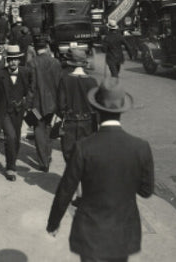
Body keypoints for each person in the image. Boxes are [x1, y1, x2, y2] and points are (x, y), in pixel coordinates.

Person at [46, 78, 154, 262]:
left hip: (90, 231)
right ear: (122, 110)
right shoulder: (140, 147)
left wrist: (53, 223)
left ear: (96, 109)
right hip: (123, 231)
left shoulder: (83, 147)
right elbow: (146, 191)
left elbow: (66, 189)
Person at [0, 44, 31, 181]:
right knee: (10, 136)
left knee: (16, 139)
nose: (13, 62)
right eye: (10, 59)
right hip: (4, 112)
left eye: (16, 59)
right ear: (7, 60)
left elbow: (31, 91)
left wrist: (26, 105)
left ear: (19, 60)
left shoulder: (25, 73)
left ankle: (12, 161)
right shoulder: (0, 75)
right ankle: (10, 168)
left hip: (19, 111)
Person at [27, 33, 62, 172]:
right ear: (47, 47)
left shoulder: (32, 63)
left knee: (38, 130)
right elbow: (60, 84)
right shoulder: (56, 62)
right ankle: (47, 155)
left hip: (37, 103)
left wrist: (28, 105)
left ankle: (43, 162)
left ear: (35, 48)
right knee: (48, 129)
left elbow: (31, 86)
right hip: (53, 103)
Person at [57, 48, 98, 164]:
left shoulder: (65, 80)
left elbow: (61, 105)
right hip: (88, 123)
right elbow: (97, 106)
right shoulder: (92, 81)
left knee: (69, 155)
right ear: (84, 64)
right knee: (86, 155)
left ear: (70, 62)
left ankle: (73, 178)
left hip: (70, 122)